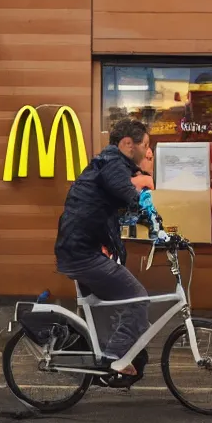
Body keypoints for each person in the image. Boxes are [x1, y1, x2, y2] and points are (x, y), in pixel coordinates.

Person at [54, 118, 167, 381]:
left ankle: (105, 358)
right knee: (138, 298)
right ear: (128, 144)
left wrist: (153, 224)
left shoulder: (107, 164)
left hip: (78, 250)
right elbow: (127, 194)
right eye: (146, 145)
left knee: (111, 308)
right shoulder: (113, 164)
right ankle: (114, 358)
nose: (148, 151)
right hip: (82, 254)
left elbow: (122, 207)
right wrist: (151, 216)